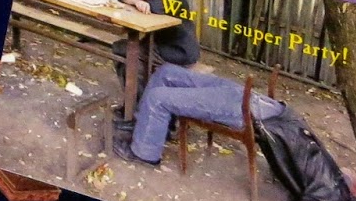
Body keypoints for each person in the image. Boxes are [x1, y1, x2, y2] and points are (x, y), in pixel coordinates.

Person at [113, 63, 282, 165]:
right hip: (245, 95)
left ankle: (145, 153)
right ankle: (147, 127)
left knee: (157, 97)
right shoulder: (286, 115)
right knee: (166, 72)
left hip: (246, 111)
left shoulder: (287, 131)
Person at [110, 0, 199, 81]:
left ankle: (139, 91)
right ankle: (135, 90)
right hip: (160, 43)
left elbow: (153, 8)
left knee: (123, 50)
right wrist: (134, 0)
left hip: (178, 49)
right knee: (126, 49)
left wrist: (138, 2)